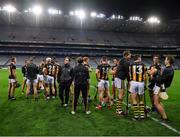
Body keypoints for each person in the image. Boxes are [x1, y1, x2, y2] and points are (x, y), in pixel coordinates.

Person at [153, 56, 174, 122]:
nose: (164, 60)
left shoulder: (168, 69)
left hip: (161, 87)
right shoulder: (169, 68)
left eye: (165, 59)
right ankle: (163, 116)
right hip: (162, 86)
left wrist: (154, 77)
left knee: (156, 103)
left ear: (168, 61)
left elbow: (161, 80)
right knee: (158, 102)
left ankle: (165, 118)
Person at [129, 55, 147, 119]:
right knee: (141, 99)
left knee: (134, 99)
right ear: (138, 58)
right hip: (141, 83)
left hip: (133, 82)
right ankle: (142, 115)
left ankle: (136, 115)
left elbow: (129, 74)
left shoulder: (131, 65)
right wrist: (145, 84)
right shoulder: (143, 65)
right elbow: (145, 76)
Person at [115, 50, 131, 115]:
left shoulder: (122, 60)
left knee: (122, 93)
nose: (130, 56)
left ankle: (118, 109)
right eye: (130, 55)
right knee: (121, 94)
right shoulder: (126, 62)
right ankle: (118, 110)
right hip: (120, 78)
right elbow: (127, 72)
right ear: (126, 55)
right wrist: (129, 80)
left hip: (119, 77)